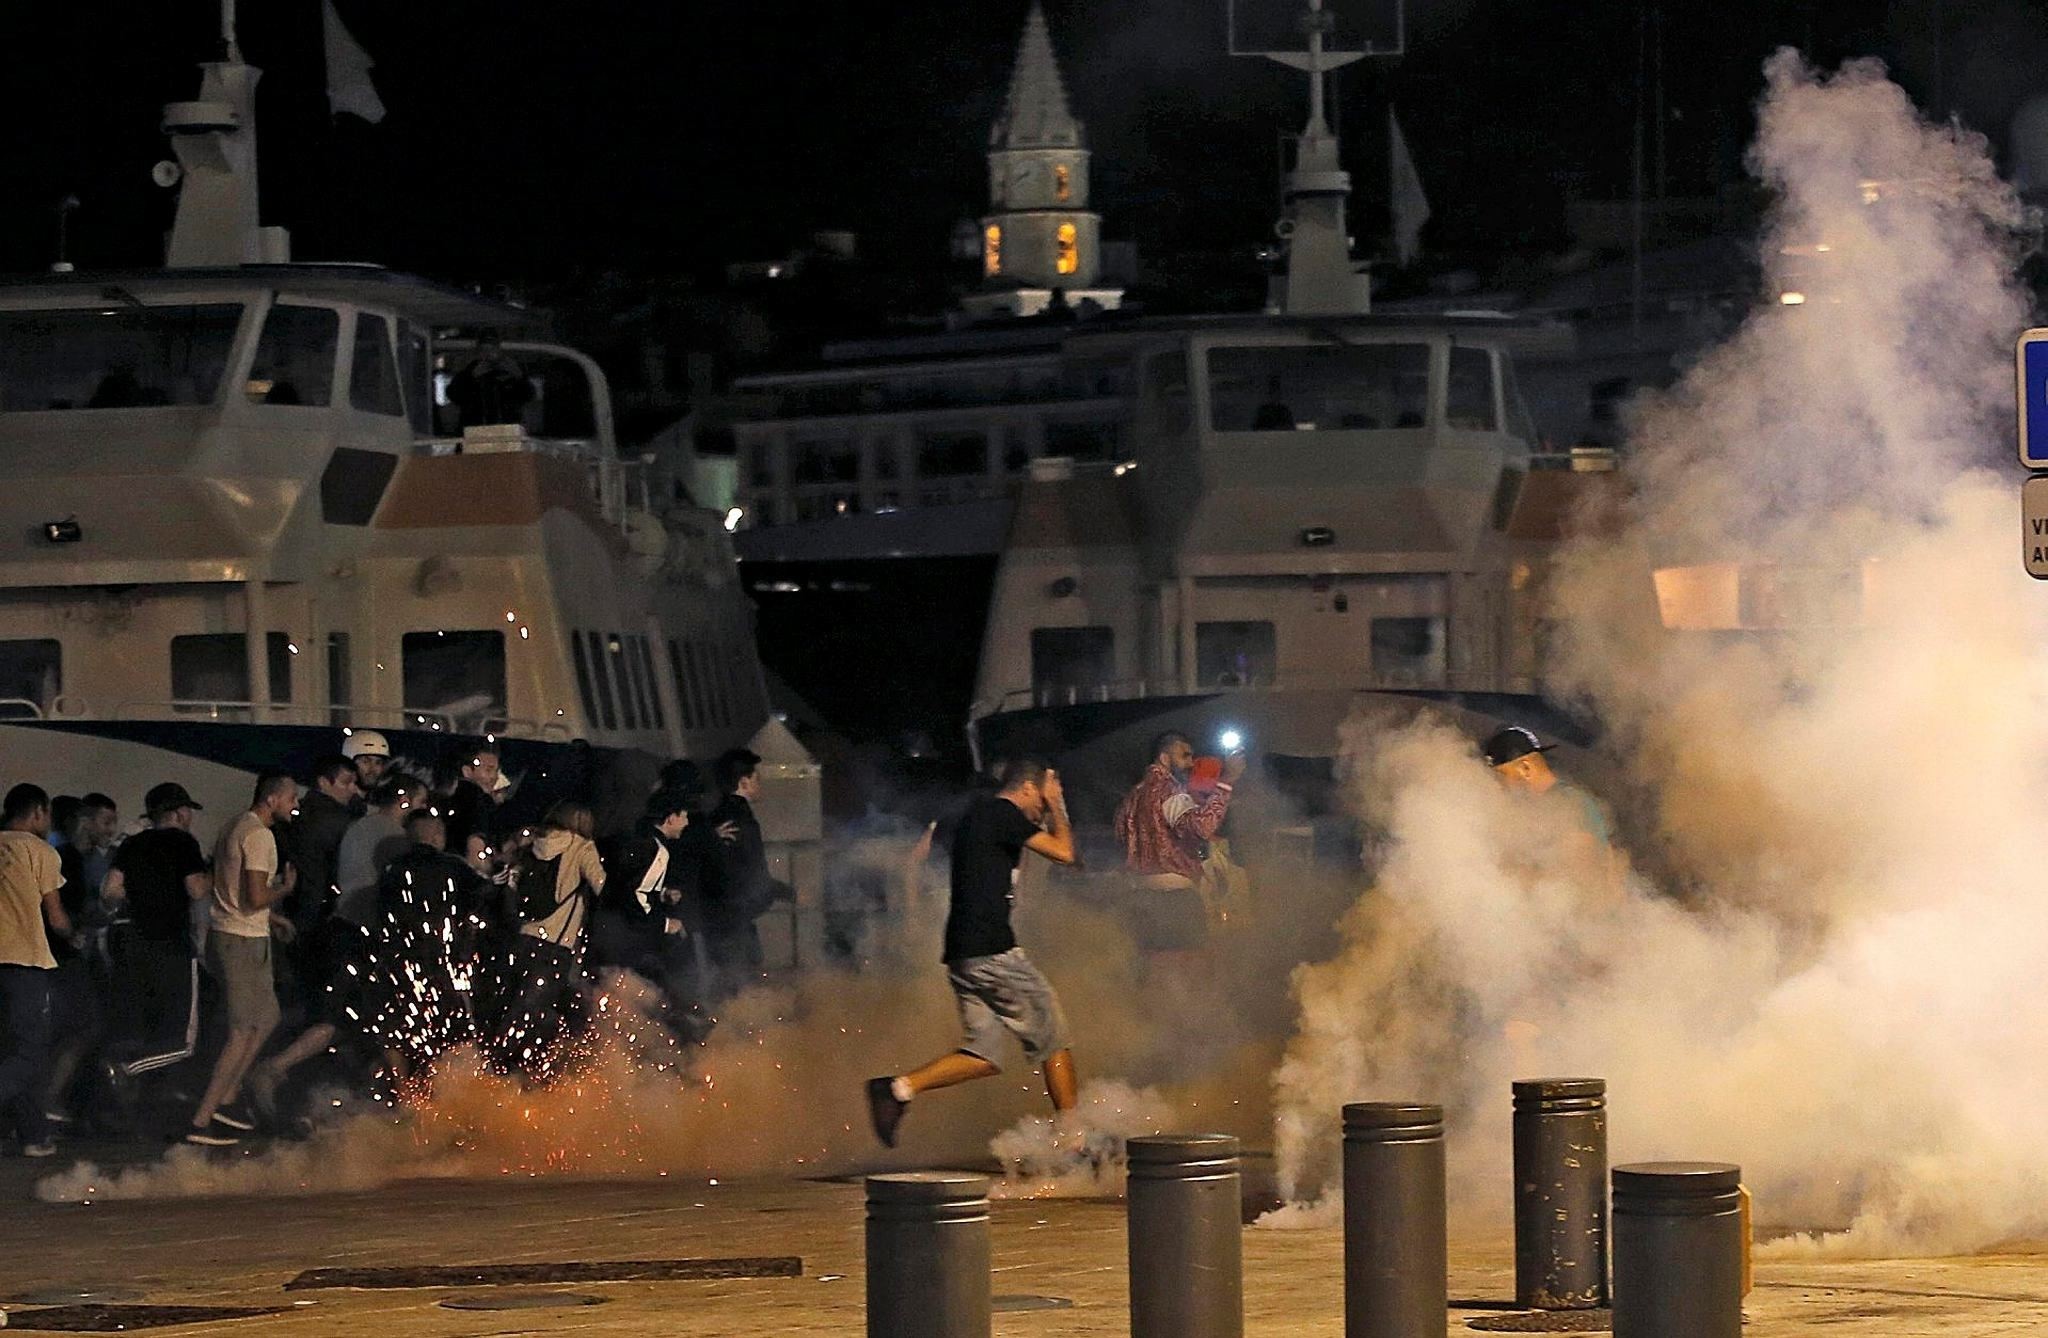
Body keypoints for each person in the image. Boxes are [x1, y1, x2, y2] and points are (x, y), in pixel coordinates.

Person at [864, 757, 1079, 1149]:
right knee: (1053, 1033)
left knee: (983, 1053)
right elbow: (1065, 852)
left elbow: (923, 857)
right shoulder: (1003, 813)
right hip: (992, 949)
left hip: (962, 952)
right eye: (1041, 802)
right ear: (1028, 788)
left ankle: (897, 1089)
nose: (1042, 811)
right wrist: (1059, 805)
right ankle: (1076, 1141)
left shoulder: (974, 816)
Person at [188, 772, 298, 1147]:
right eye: (290, 798)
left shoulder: (234, 825)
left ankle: (229, 1097)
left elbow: (230, 887)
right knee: (241, 1031)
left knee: (267, 1017)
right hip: (241, 940)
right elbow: (253, 896)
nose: (294, 805)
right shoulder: (260, 836)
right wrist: (284, 890)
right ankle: (203, 1118)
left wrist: (274, 919)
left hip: (238, 933)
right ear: (271, 800)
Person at [99, 783, 210, 1070]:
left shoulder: (133, 842)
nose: (190, 816)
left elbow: (111, 890)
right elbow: (196, 889)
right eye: (187, 809)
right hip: (171, 943)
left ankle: (116, 1082)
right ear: (176, 813)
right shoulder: (185, 843)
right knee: (181, 1041)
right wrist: (217, 875)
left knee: (135, 1029)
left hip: (133, 940)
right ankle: (127, 1072)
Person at [499, 801, 605, 1077]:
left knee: (515, 1005)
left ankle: (502, 1063)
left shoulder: (531, 844)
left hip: (521, 939)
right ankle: (511, 1075)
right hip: (556, 944)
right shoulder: (582, 847)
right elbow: (601, 886)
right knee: (537, 1014)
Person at [1113, 731, 1243, 949]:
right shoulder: (1169, 791)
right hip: (1174, 903)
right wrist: (1227, 782)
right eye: (1185, 756)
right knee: (1186, 972)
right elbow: (1201, 827)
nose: (1191, 763)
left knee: (1145, 975)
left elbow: (1119, 839)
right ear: (1164, 758)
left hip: (1138, 900)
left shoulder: (1130, 798)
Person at [0, 784, 67, 1157]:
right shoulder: (39, 850)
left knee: (9, 1051)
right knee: (30, 1054)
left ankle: (35, 1134)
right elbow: (56, 918)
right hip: (23, 960)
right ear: (38, 812)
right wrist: (79, 934)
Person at [699, 748, 789, 1003]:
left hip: (724, 918)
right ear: (744, 782)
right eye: (756, 778)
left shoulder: (717, 819)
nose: (760, 784)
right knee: (740, 988)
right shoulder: (740, 821)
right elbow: (750, 874)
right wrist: (787, 892)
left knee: (733, 984)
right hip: (733, 919)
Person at [334, 778, 422, 929]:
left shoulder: (358, 826)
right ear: (404, 801)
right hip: (374, 917)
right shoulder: (395, 835)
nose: (424, 808)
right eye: (422, 801)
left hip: (346, 912)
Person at [446, 335, 533, 430]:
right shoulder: (469, 372)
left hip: (507, 431)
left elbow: (528, 396)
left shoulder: (511, 373)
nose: (488, 354)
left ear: (499, 351)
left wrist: (519, 376)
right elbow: (454, 395)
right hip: (475, 431)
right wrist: (470, 377)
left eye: (492, 350)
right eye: (484, 350)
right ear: (478, 353)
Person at [342, 731, 394, 798]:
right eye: (366, 761)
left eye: (378, 762)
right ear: (348, 763)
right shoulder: (337, 803)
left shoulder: (383, 801)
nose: (373, 769)